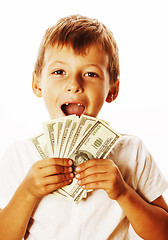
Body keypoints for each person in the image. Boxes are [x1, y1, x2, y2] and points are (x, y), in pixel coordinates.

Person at [0, 14, 168, 240]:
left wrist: (123, 193)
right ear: (37, 83)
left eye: (90, 74)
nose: (74, 85)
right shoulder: (20, 155)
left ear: (112, 90)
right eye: (59, 72)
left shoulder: (132, 152)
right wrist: (27, 192)